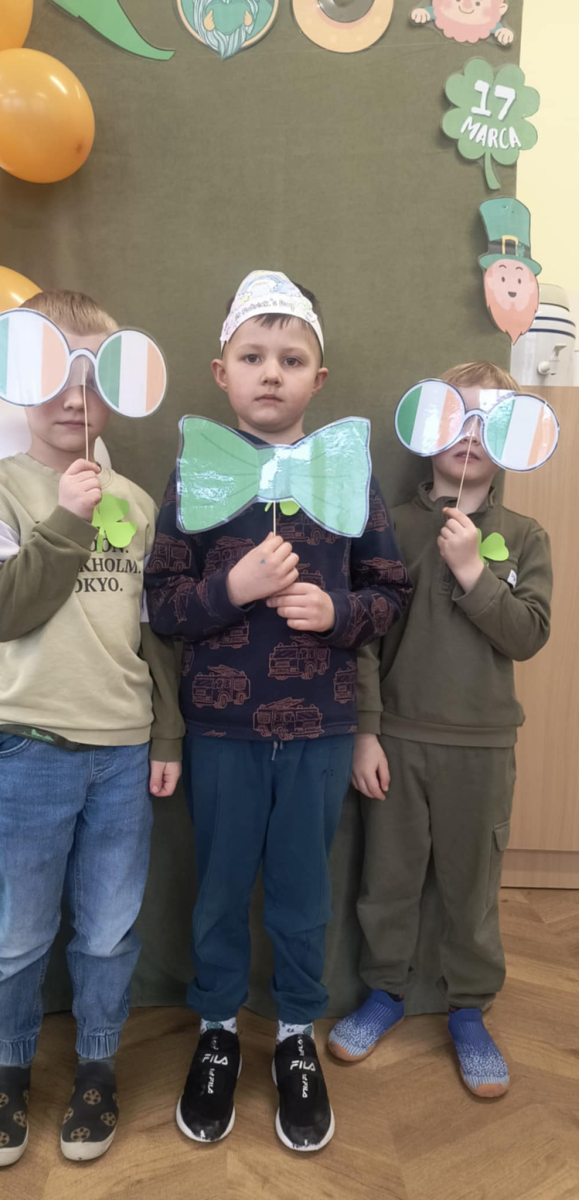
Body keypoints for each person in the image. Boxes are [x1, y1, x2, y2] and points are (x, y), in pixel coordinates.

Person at [145, 270, 412, 1151]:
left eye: (291, 359)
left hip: (320, 731)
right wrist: (231, 588)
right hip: (218, 733)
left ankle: (296, 1032)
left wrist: (337, 613)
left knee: (303, 893)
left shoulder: (350, 475)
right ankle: (217, 1031)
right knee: (219, 890)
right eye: (253, 356)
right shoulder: (194, 474)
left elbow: (390, 592)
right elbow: (162, 605)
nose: (271, 372)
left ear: (317, 380)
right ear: (220, 372)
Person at [0, 290, 183, 1167]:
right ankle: (8, 1069)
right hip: (30, 749)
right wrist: (66, 519)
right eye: (53, 371)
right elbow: (3, 613)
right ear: (21, 379)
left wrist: (165, 736)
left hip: (122, 751)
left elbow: (150, 636)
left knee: (109, 929)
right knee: (18, 934)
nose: (74, 396)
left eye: (95, 374)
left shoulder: (136, 503)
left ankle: (96, 1066)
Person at [329, 361, 552, 1098]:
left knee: (470, 885)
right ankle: (386, 991)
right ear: (428, 429)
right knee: (386, 880)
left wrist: (473, 572)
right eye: (457, 416)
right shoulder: (389, 526)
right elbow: (364, 640)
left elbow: (527, 634)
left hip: (481, 748)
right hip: (396, 740)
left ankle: (467, 1009)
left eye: (491, 421)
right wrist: (366, 732)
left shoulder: (525, 536)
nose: (471, 434)